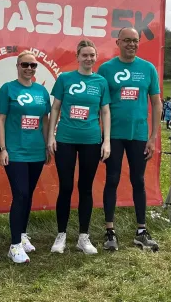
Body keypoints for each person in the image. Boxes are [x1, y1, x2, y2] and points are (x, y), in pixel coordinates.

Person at [97, 27, 162, 252]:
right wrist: (103, 136)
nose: (131, 44)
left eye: (135, 41)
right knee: (112, 179)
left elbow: (156, 103)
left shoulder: (148, 68)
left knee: (139, 181)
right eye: (127, 40)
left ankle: (141, 232)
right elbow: (100, 105)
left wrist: (153, 137)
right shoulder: (106, 69)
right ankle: (109, 232)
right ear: (118, 42)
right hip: (113, 135)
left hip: (139, 136)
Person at [47, 39, 111, 255]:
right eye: (84, 55)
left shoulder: (101, 82)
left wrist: (107, 140)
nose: (88, 58)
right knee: (65, 187)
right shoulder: (65, 79)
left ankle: (84, 237)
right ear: (77, 57)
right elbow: (55, 108)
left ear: (96, 57)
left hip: (91, 140)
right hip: (65, 139)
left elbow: (105, 112)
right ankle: (61, 235)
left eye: (92, 55)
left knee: (85, 187)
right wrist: (51, 136)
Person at [0, 50, 51, 263]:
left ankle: (22, 233)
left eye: (33, 65)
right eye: (25, 64)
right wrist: (3, 148)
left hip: (36, 151)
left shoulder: (41, 91)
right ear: (17, 66)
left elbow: (45, 120)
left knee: (28, 194)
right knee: (19, 194)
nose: (29, 68)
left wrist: (48, 145)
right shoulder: (8, 89)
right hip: (15, 152)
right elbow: (0, 119)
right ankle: (14, 245)